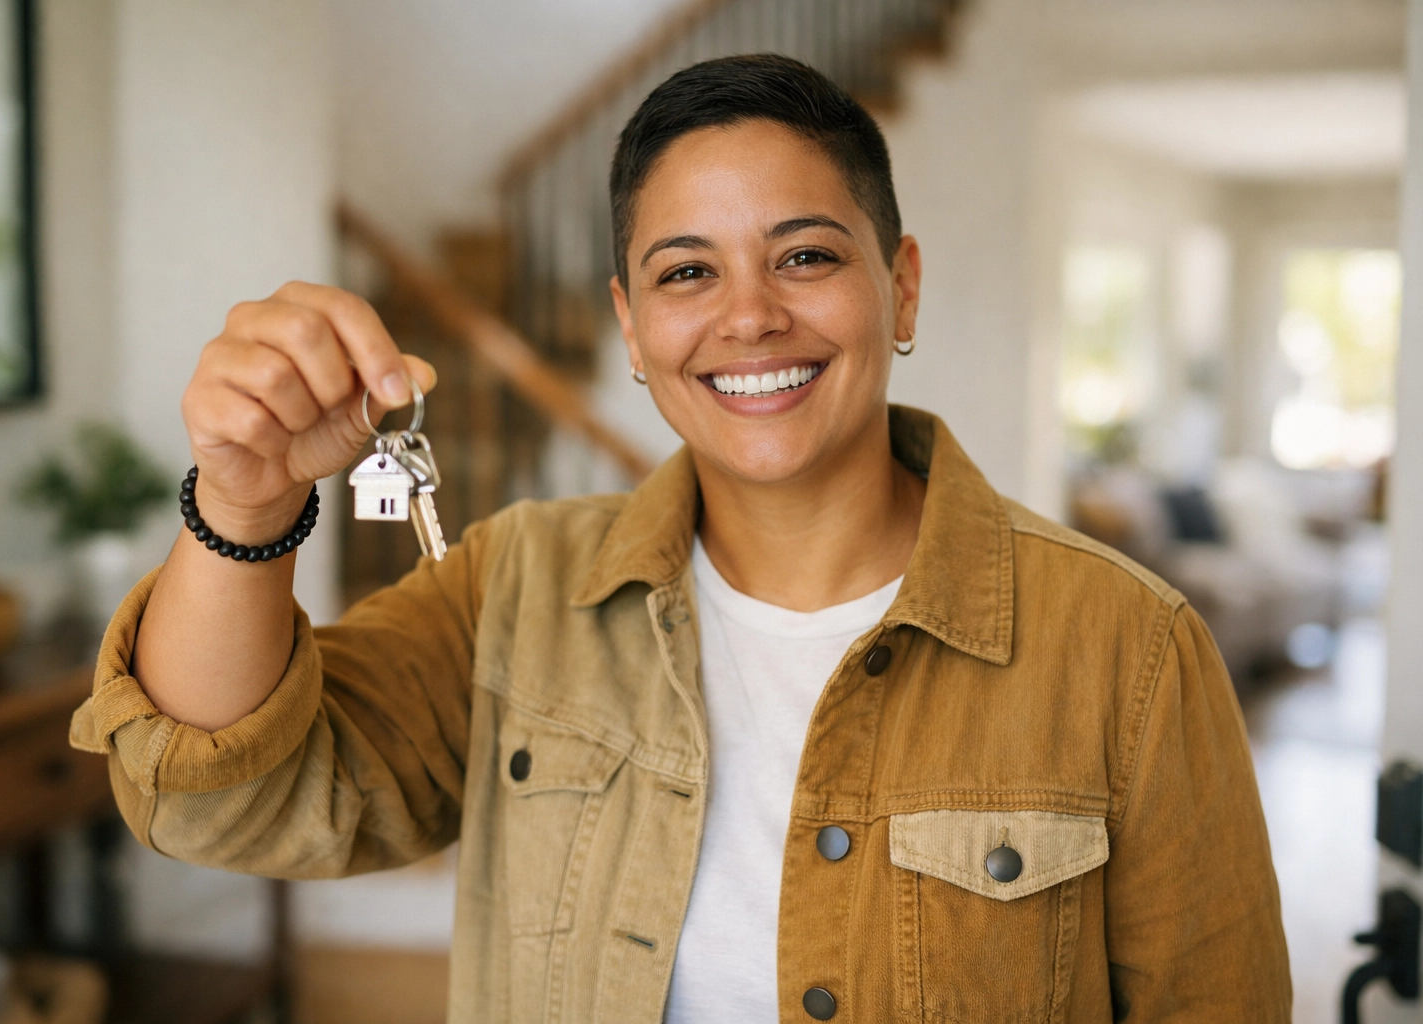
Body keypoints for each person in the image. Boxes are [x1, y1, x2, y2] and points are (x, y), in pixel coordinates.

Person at [71, 54, 1290, 1022]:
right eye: (686, 271)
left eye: (806, 256)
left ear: (901, 285)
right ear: (631, 326)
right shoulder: (513, 587)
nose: (750, 317)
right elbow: (217, 801)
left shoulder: (1129, 648)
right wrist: (245, 504)